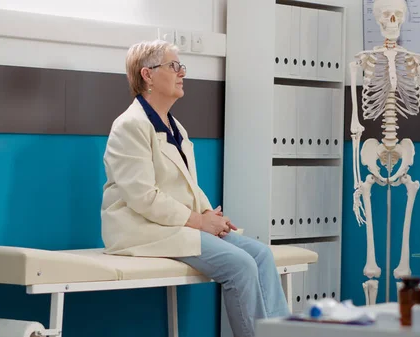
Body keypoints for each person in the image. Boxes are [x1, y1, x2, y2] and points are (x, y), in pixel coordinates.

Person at [100, 40, 290, 337]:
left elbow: (188, 184)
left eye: (181, 66)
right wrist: (200, 221)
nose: (182, 72)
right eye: (174, 66)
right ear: (147, 75)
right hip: (142, 229)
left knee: (262, 256)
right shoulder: (130, 126)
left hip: (177, 225)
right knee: (240, 265)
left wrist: (208, 215)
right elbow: (143, 197)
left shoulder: (175, 126)